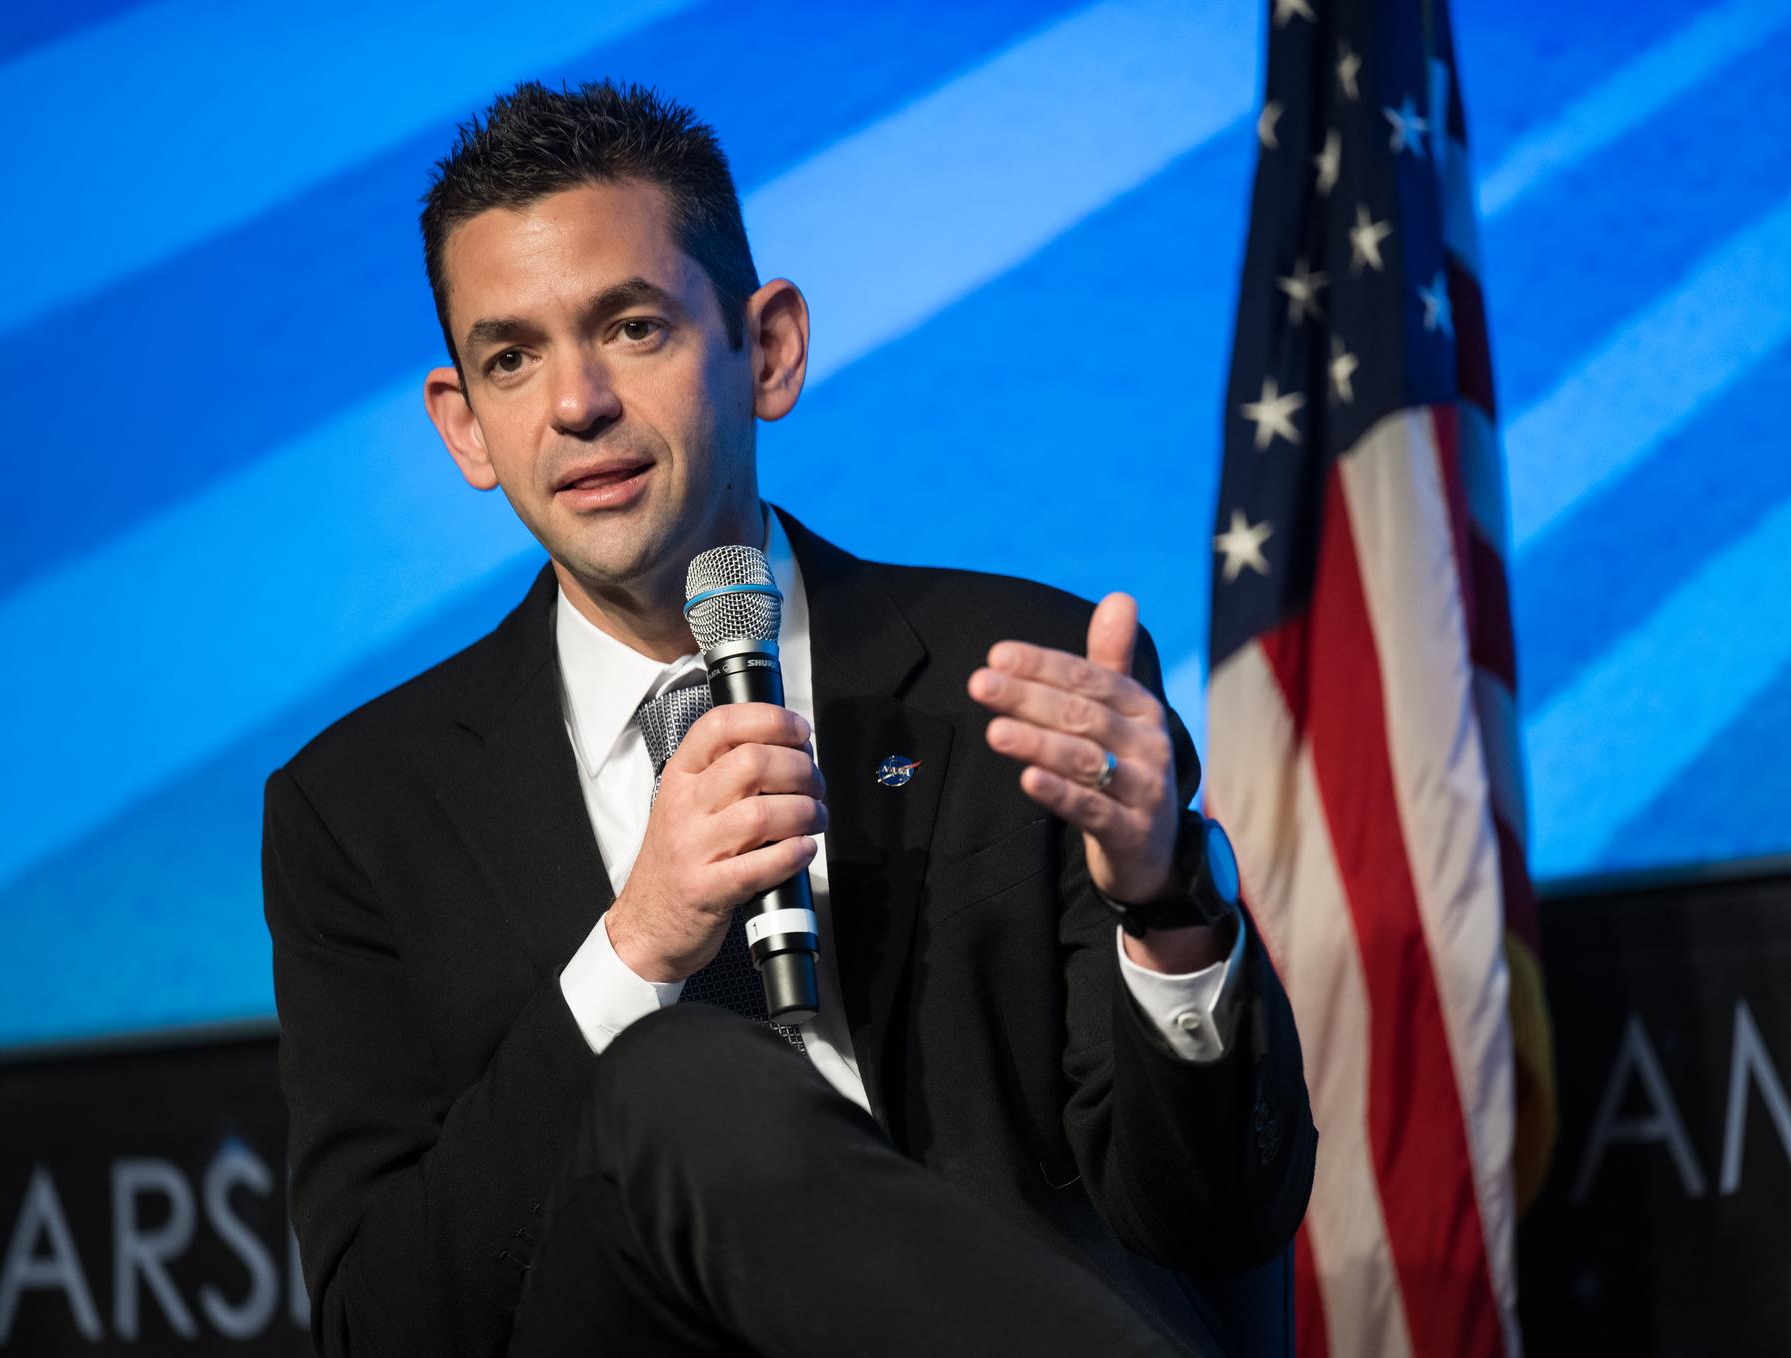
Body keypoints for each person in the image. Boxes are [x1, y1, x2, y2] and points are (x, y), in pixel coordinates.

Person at [262, 81, 1314, 1358]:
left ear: (767, 351)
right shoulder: (360, 811)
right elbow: (384, 1327)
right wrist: (636, 950)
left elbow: (1219, 1215)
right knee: (673, 1074)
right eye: (511, 357)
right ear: (465, 427)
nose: (576, 402)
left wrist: (1168, 908)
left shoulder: (1020, 676)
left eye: (632, 326)